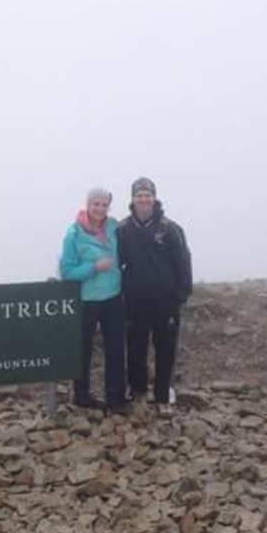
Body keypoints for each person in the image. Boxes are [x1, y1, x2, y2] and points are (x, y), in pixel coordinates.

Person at [117, 177, 192, 416]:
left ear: (154, 198)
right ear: (133, 199)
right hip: (135, 302)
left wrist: (182, 292)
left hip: (166, 301)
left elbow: (183, 261)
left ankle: (163, 395)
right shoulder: (123, 229)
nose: (143, 199)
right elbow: (119, 263)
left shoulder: (170, 228)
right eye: (139, 195)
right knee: (136, 348)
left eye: (147, 194)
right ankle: (138, 392)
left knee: (166, 349)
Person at [58, 188, 129, 414]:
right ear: (88, 205)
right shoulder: (74, 234)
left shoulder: (114, 227)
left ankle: (116, 398)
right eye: (96, 204)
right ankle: (81, 396)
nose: (100, 208)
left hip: (113, 297)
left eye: (104, 204)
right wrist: (94, 267)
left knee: (116, 348)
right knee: (83, 349)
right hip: (87, 300)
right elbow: (67, 272)